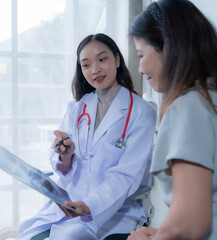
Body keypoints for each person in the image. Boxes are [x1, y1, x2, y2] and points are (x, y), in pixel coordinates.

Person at [18, 33, 157, 240]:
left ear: (117, 60)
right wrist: (65, 155)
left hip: (112, 212)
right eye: (86, 65)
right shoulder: (77, 107)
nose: (95, 70)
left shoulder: (141, 112)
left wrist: (91, 205)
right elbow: (60, 160)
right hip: (68, 204)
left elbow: (126, 175)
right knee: (26, 233)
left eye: (102, 59)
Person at [128, 0, 217, 239]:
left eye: (141, 54)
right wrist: (162, 232)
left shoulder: (188, 107)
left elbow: (189, 224)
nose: (141, 69)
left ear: (169, 46)